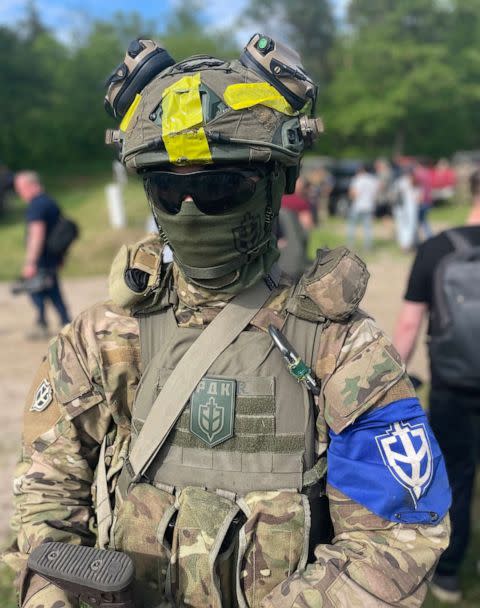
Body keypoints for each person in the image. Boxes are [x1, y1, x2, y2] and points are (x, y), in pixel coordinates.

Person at [5, 38, 451, 608]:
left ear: (275, 183)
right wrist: (53, 595)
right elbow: (47, 492)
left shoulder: (341, 347)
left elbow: (400, 538)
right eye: (170, 187)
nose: (191, 208)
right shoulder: (105, 337)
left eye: (220, 187)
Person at [393, 169, 480, 603]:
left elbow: (409, 324)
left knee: (459, 479)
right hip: (455, 385)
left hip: (453, 386)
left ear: (471, 191)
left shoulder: (436, 249)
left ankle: (447, 574)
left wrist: (392, 384)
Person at [14, 171, 71, 338]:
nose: (19, 193)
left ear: (30, 186)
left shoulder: (37, 206)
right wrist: (61, 256)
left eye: (20, 188)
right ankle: (63, 322)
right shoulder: (50, 202)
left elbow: (37, 234)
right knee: (51, 290)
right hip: (52, 257)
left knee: (36, 289)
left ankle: (45, 324)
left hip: (42, 258)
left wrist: (31, 262)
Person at [347, 164, 379, 250]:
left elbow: (353, 193)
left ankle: (350, 244)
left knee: (352, 226)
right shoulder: (373, 180)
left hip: (358, 206)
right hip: (369, 206)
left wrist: (351, 196)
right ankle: (367, 246)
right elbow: (376, 193)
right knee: (368, 227)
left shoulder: (357, 179)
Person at [393, 167, 420, 252]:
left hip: (401, 208)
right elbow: (418, 197)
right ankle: (406, 245)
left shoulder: (399, 182)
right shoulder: (410, 182)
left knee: (403, 226)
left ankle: (405, 244)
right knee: (409, 226)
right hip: (408, 207)